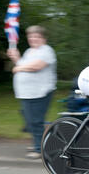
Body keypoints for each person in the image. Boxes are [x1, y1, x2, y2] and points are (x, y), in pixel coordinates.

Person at [6, 25, 57, 159]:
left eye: (37, 36)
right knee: (29, 121)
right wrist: (16, 58)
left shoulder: (47, 50)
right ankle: (41, 141)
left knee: (35, 121)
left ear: (44, 39)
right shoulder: (29, 51)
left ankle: (39, 149)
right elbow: (22, 64)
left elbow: (36, 66)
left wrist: (18, 68)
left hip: (40, 92)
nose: (33, 39)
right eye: (31, 36)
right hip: (26, 93)